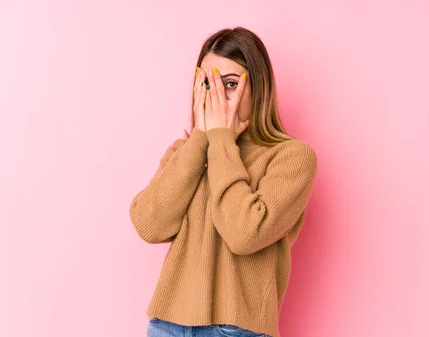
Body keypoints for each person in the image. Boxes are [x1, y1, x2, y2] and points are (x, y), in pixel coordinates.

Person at [129, 27, 318, 337]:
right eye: (206, 84)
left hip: (235, 330)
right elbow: (149, 225)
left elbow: (243, 233)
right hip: (166, 326)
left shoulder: (292, 157)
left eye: (230, 84)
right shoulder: (185, 151)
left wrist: (220, 140)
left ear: (259, 88)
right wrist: (201, 140)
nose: (215, 96)